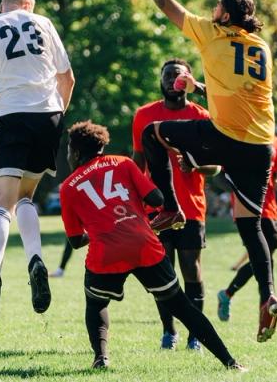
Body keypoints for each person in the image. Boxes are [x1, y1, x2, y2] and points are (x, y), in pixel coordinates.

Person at [124, 0, 277, 343]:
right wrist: (197, 87)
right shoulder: (260, 47)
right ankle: (268, 296)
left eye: (217, 7)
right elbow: (234, 90)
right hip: (262, 144)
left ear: (226, 16)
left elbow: (166, 4)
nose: (211, 11)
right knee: (253, 228)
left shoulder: (211, 33)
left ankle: (171, 208)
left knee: (152, 133)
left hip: (225, 136)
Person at [60, 121, 245, 371]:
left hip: (106, 253)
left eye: (70, 149)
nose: (69, 155)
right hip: (143, 244)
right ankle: (229, 362)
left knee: (96, 304)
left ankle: (101, 358)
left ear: (76, 151)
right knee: (181, 306)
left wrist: (104, 229)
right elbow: (156, 198)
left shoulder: (69, 186)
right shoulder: (124, 163)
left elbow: (74, 240)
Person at [0, 0, 76, 327]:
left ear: (4, 6)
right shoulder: (44, 23)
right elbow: (67, 79)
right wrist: (57, 118)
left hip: (13, 115)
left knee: (2, 204)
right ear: (29, 5)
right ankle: (36, 260)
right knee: (27, 196)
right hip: (49, 115)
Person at [131, 58, 212, 351]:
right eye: (167, 75)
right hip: (157, 208)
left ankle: (196, 335)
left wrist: (195, 166)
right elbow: (137, 164)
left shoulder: (201, 116)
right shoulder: (144, 115)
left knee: (190, 267)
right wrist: (134, 200)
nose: (171, 80)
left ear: (188, 80)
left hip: (191, 205)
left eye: (178, 75)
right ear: (160, 81)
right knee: (163, 270)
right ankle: (169, 331)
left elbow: (214, 163)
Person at [217, 135, 277, 321]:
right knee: (264, 257)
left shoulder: (275, 142)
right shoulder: (239, 138)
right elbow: (221, 174)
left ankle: (229, 295)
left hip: (270, 208)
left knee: (267, 256)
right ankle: (263, 306)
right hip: (246, 208)